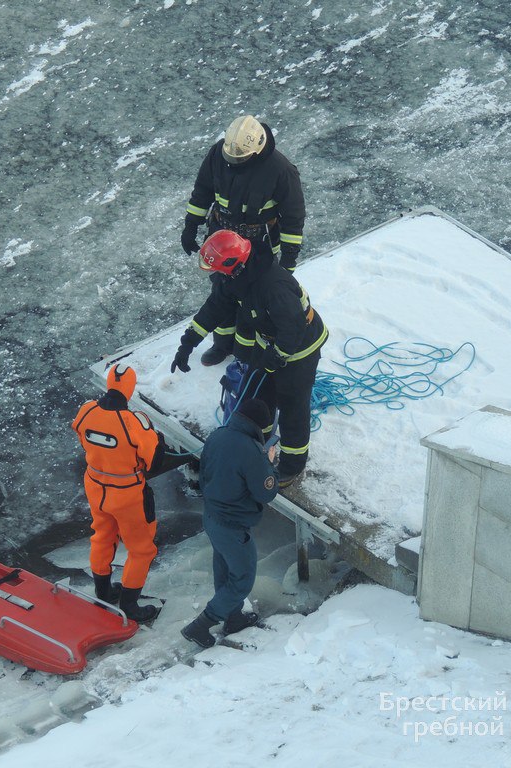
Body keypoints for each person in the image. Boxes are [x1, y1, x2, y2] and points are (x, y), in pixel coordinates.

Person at [170, 229, 327, 487]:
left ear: (233, 265)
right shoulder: (236, 277)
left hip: (300, 349)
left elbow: (293, 328)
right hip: (270, 343)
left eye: (219, 269)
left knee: (292, 407)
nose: (217, 274)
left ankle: (292, 466)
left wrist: (278, 357)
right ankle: (257, 445)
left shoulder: (273, 286)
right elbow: (214, 308)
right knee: (257, 397)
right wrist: (188, 342)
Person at [180, 114, 307, 367]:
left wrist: (289, 260)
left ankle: (247, 351)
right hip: (222, 240)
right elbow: (203, 191)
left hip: (258, 247)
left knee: (253, 300)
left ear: (257, 149)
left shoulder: (281, 170)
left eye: (240, 159)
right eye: (231, 157)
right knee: (221, 291)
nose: (234, 163)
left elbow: (293, 218)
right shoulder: (218, 154)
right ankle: (222, 345)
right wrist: (191, 225)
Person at [181, 399, 279, 649]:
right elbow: (265, 493)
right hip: (233, 525)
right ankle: (200, 625)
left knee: (224, 570)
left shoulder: (218, 435)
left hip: (212, 516)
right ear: (259, 425)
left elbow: (205, 474)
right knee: (242, 578)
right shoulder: (253, 451)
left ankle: (233, 618)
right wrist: (268, 463)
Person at [72, 364, 165, 622]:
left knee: (102, 537)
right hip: (127, 494)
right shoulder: (135, 422)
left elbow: (80, 433)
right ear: (130, 388)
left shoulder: (86, 410)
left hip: (95, 485)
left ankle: (103, 592)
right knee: (141, 550)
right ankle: (130, 607)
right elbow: (153, 461)